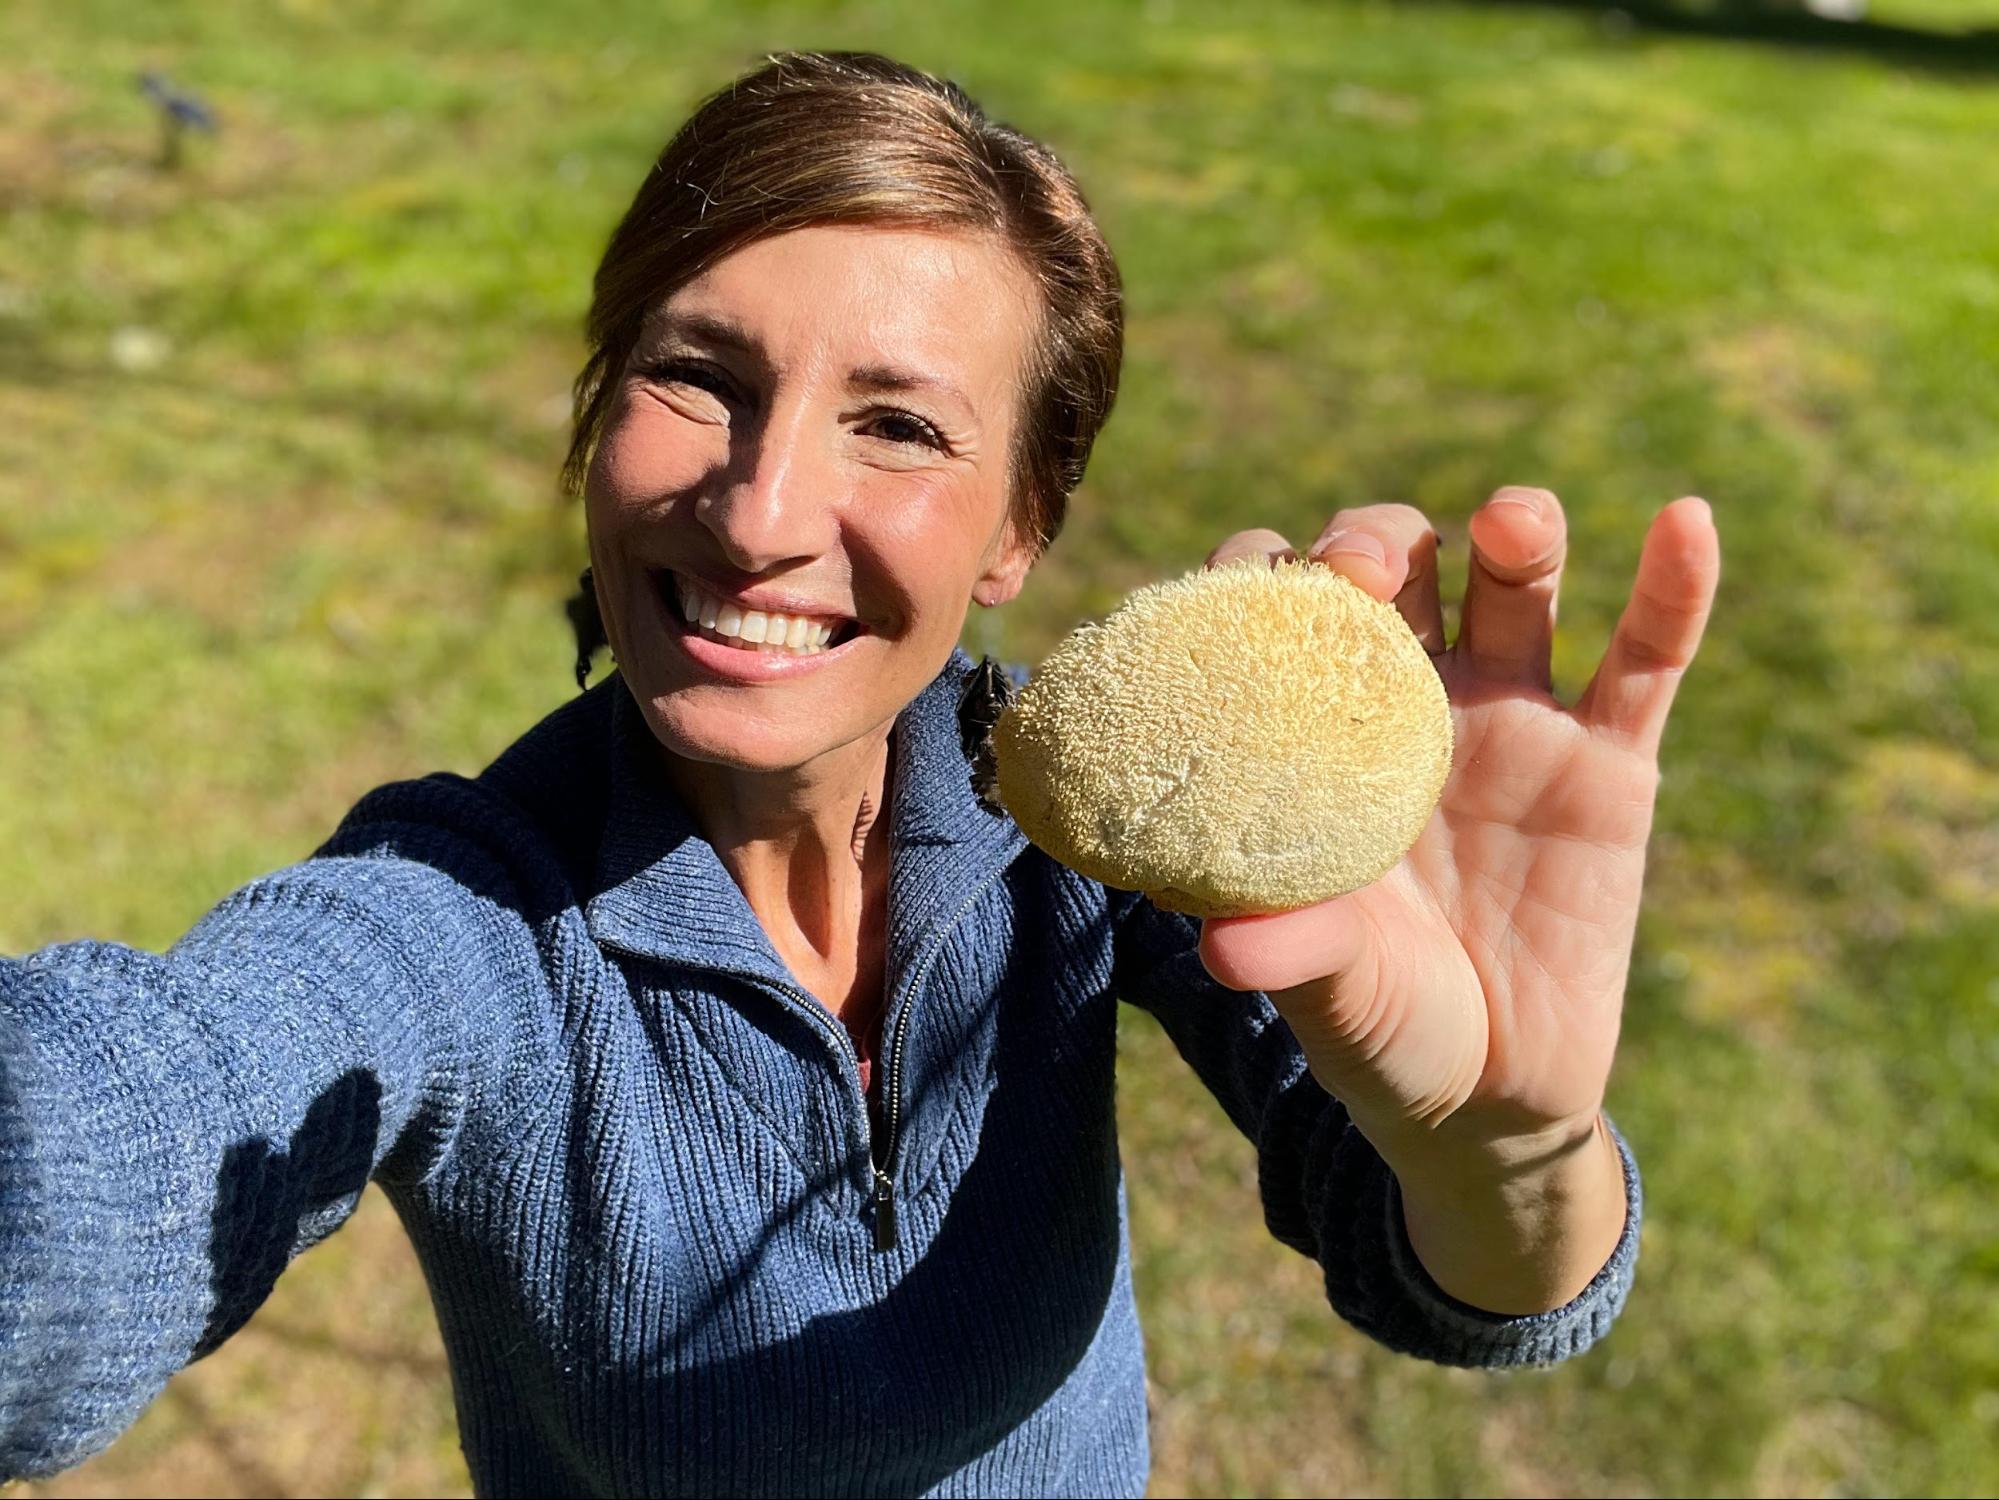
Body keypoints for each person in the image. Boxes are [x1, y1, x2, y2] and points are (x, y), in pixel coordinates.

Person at [0, 50, 1721, 1499]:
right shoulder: (466, 919)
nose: (756, 516)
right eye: (696, 375)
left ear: (1017, 531)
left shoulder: (1104, 812)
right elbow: (109, 1153)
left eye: (897, 423)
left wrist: (1503, 1139)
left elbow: (1478, 1286)